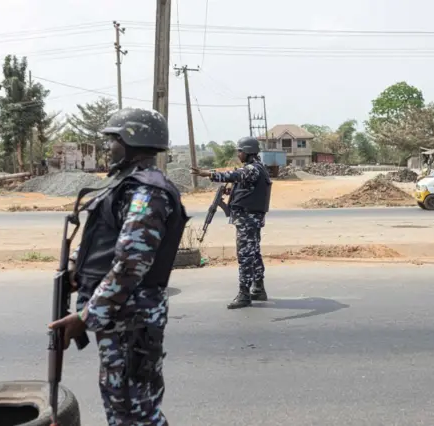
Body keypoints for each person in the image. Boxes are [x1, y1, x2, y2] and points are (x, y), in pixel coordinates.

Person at [48, 107, 188, 426]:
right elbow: (103, 238)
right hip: (119, 317)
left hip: (131, 320)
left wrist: (85, 317)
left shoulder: (147, 192)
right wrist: (75, 269)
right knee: (122, 406)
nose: (107, 148)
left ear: (131, 141)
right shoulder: (123, 185)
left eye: (113, 140)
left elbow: (130, 264)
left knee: (134, 413)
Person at [191, 136, 272, 309]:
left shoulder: (252, 169)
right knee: (253, 253)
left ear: (248, 152)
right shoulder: (258, 168)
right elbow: (245, 185)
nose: (238, 154)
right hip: (250, 219)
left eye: (240, 151)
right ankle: (258, 288)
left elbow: (235, 175)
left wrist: (210, 174)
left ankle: (244, 294)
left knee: (245, 256)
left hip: (248, 220)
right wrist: (231, 191)